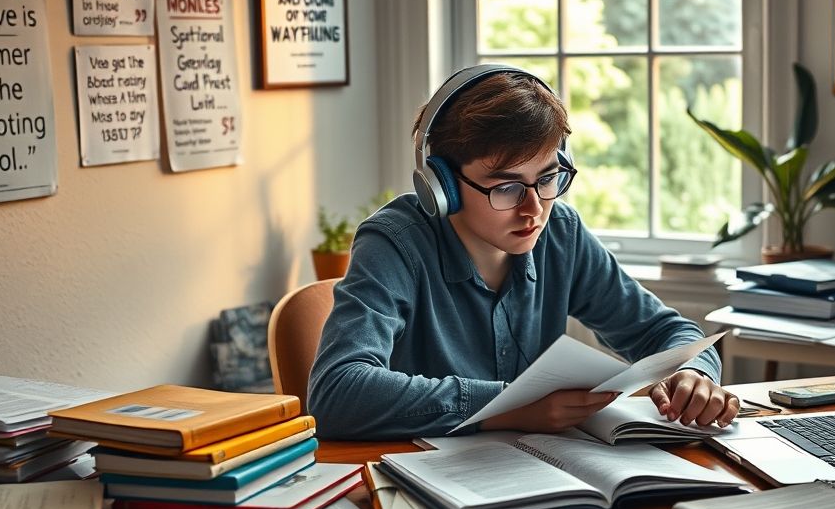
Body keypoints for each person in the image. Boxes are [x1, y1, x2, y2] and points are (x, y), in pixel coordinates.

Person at [307, 64, 739, 440]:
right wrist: (502, 407)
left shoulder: (562, 234)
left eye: (548, 178)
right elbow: (337, 393)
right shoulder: (394, 244)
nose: (534, 209)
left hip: (535, 471)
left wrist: (694, 374)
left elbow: (667, 333)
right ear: (442, 187)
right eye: (506, 187)